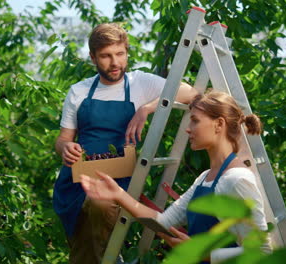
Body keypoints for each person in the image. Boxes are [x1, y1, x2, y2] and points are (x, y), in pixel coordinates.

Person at [53, 23, 198, 264]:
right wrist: (65, 148)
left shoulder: (139, 83)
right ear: (93, 57)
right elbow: (62, 140)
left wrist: (148, 107)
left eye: (120, 54)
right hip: (77, 179)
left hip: (117, 178)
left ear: (127, 52)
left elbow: (190, 93)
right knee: (85, 245)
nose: (115, 62)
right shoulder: (79, 91)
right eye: (106, 56)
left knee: (97, 217)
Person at [80, 91, 272, 263]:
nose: (188, 128)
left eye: (195, 120)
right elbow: (164, 222)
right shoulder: (206, 177)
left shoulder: (237, 179)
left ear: (219, 124)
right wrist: (118, 194)